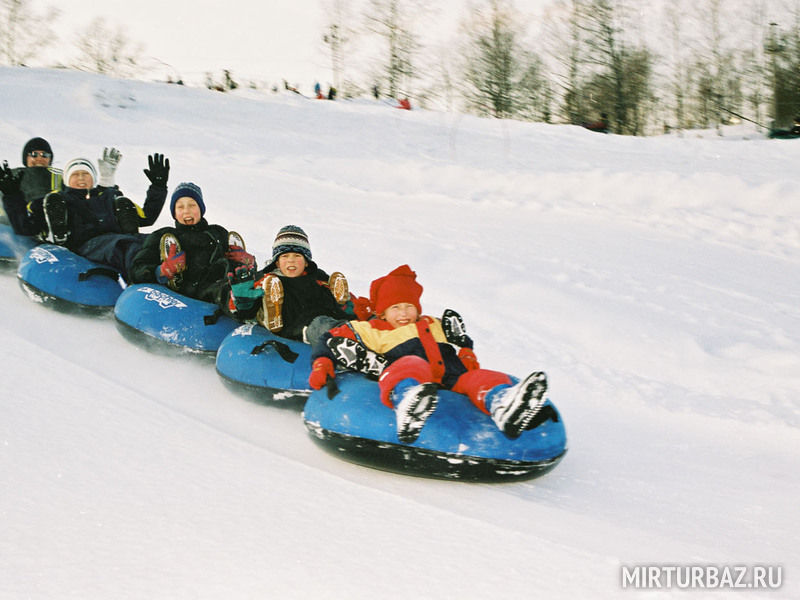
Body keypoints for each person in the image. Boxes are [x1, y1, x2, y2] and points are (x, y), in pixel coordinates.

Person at [309, 265, 553, 443]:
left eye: (409, 306)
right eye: (395, 308)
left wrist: (467, 354)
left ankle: (504, 403)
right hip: (409, 372)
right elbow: (330, 339)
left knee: (481, 378)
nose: (403, 313)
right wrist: (322, 364)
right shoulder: (373, 328)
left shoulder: (433, 323)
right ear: (383, 312)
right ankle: (408, 401)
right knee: (411, 363)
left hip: (451, 376)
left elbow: (461, 343)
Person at [227, 225, 369, 355]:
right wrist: (242, 301)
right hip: (298, 326)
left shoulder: (318, 277)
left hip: (327, 317)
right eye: (285, 256)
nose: (291, 260)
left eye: (297, 256)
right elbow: (244, 312)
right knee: (323, 326)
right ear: (277, 261)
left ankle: (363, 334)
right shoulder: (268, 280)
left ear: (306, 261)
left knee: (348, 320)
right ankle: (270, 316)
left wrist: (352, 309)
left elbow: (335, 298)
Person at [40, 149, 170, 281]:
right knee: (123, 246)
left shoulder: (108, 197)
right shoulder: (62, 199)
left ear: (93, 178)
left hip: (118, 239)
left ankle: (178, 273)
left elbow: (146, 217)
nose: (81, 178)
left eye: (85, 173)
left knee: (154, 239)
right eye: (75, 174)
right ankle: (147, 277)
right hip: (87, 245)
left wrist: (158, 187)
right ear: (67, 180)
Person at [130, 182, 253, 305]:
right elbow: (136, 270)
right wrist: (162, 270)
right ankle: (239, 301)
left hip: (225, 281)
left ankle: (261, 303)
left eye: (192, 205)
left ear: (201, 208)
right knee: (221, 290)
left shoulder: (218, 233)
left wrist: (247, 262)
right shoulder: (162, 236)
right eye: (180, 207)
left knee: (252, 279)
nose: (186, 211)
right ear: (174, 212)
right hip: (193, 293)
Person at [0, 137, 63, 236]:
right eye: (34, 154)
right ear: (26, 157)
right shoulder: (13, 176)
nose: (39, 158)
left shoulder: (59, 177)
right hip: (18, 227)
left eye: (44, 155)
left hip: (53, 229)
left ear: (50, 159)